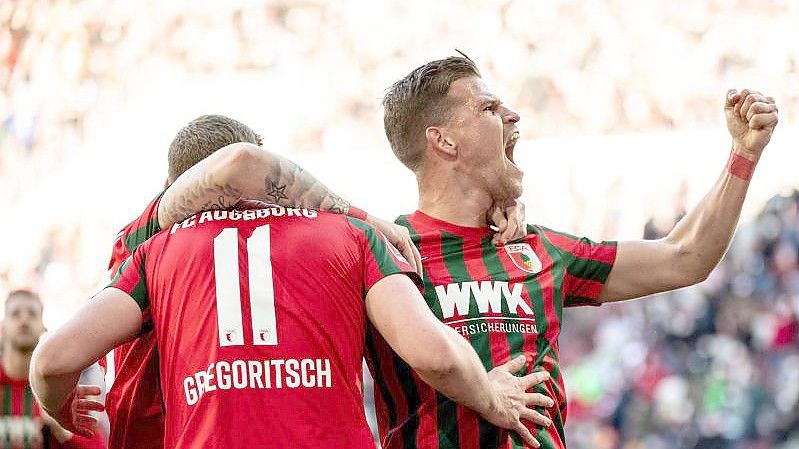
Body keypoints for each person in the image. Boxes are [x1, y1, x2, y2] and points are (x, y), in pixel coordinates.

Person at [363, 55, 778, 449]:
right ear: (445, 141)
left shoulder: (537, 248)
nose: (513, 115)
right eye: (489, 108)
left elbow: (685, 257)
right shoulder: (385, 255)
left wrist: (743, 155)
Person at [30, 203, 552, 448]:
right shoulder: (348, 234)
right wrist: (489, 395)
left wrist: (60, 405)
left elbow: (52, 361)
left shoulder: (156, 250)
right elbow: (434, 354)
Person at [102, 114, 435, 449]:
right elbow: (243, 163)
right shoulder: (143, 236)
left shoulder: (179, 245)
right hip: (152, 433)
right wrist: (361, 217)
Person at [0, 289, 106, 449]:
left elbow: (98, 445)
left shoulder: (60, 388)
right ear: (2, 329)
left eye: (32, 314)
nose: (24, 319)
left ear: (44, 329)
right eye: (15, 314)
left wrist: (63, 430)